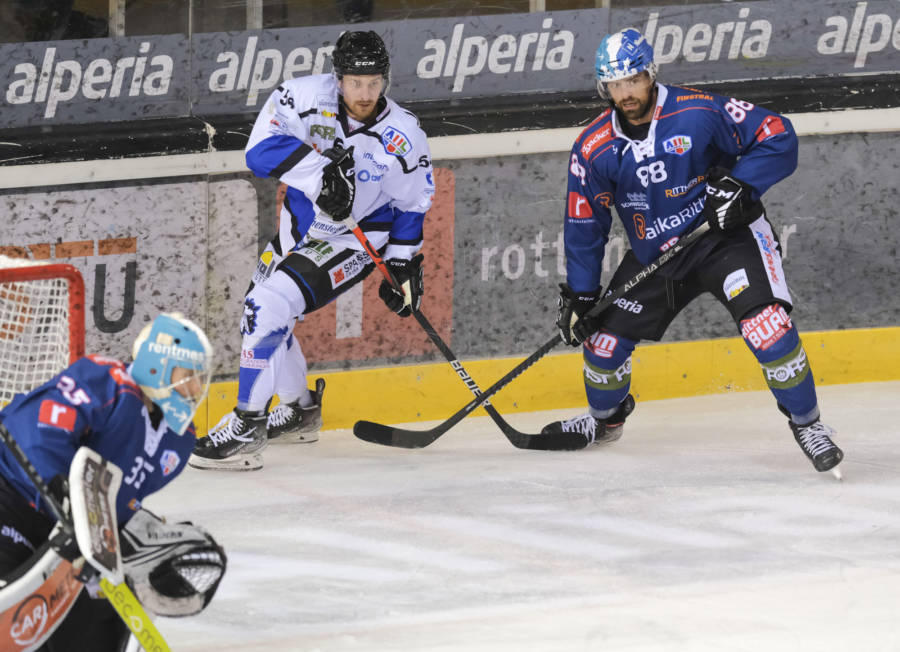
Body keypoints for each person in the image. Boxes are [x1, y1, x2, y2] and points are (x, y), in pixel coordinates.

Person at [543, 28, 843, 475]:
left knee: (768, 329)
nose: (625, 93)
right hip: (657, 256)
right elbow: (585, 224)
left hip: (726, 240)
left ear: (651, 74)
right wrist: (583, 295)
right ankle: (605, 423)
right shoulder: (592, 148)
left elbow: (778, 135)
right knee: (601, 347)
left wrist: (743, 185)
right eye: (615, 85)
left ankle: (809, 423)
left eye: (633, 80)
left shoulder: (699, 111)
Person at [189, 30, 435, 471]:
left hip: (355, 238)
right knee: (263, 313)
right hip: (298, 229)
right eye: (355, 82)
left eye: (374, 82)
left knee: (268, 304)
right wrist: (323, 175)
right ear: (337, 78)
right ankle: (301, 410)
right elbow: (258, 151)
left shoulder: (403, 134)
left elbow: (413, 202)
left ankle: (248, 423)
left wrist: (401, 261)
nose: (365, 94)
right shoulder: (301, 97)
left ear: (387, 81)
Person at [0, 313, 226, 651]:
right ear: (157, 365)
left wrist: (129, 539)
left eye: (200, 379)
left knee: (100, 629)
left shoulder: (177, 444)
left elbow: (117, 501)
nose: (195, 389)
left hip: (69, 535)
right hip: (12, 499)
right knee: (9, 611)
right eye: (188, 375)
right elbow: (36, 432)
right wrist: (66, 500)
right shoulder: (109, 381)